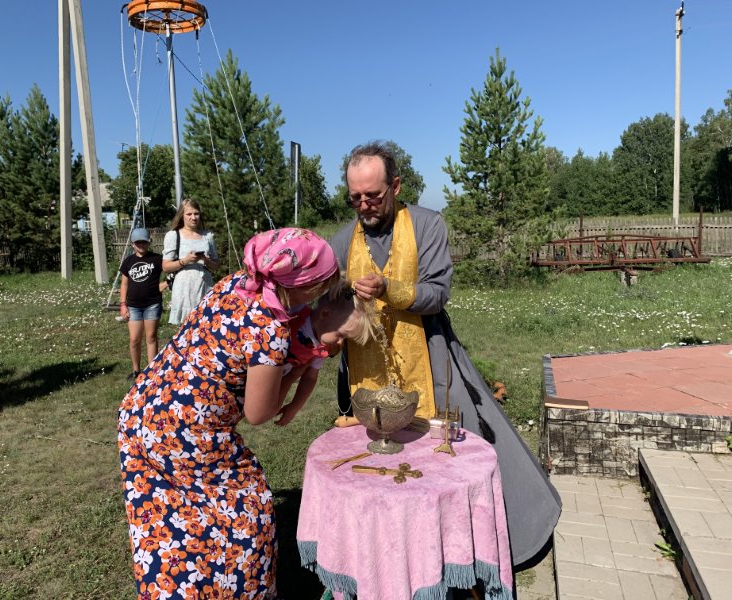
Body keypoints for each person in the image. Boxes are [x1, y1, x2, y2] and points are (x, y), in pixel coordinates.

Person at [330, 141, 561, 570]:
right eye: (355, 198)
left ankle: (458, 552)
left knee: (444, 454)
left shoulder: (427, 225)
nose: (364, 205)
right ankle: (384, 555)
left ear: (396, 186)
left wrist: (389, 290)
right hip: (365, 366)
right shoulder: (343, 240)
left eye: (374, 196)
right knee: (374, 461)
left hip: (430, 354)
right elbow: (330, 304)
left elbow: (437, 294)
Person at [118, 227, 339, 599]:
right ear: (298, 285)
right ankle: (241, 590)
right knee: (248, 509)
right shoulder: (270, 328)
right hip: (186, 430)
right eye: (319, 285)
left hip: (144, 409)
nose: (321, 294)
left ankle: (175, 587)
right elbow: (258, 412)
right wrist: (299, 367)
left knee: (168, 517)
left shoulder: (237, 282)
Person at [275, 280, 375, 427]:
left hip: (274, 383)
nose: (341, 343)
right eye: (340, 335)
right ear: (325, 313)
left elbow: (309, 378)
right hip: (251, 370)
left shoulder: (321, 348)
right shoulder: (294, 314)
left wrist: (294, 407)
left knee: (269, 409)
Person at [162, 199, 219, 325]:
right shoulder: (174, 235)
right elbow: (166, 267)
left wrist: (206, 260)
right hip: (184, 286)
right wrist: (186, 260)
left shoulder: (207, 236)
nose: (193, 217)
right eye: (189, 214)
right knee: (186, 328)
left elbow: (216, 265)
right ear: (182, 216)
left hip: (205, 284)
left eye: (196, 213)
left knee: (206, 326)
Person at [119, 228, 163, 380]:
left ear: (149, 242)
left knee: (151, 337)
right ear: (133, 244)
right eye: (138, 242)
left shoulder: (157, 259)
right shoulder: (128, 261)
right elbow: (124, 284)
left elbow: (171, 270)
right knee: (134, 339)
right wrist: (123, 304)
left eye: (144, 242)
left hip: (152, 304)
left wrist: (166, 284)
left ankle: (152, 370)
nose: (141, 245)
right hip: (133, 305)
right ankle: (136, 370)